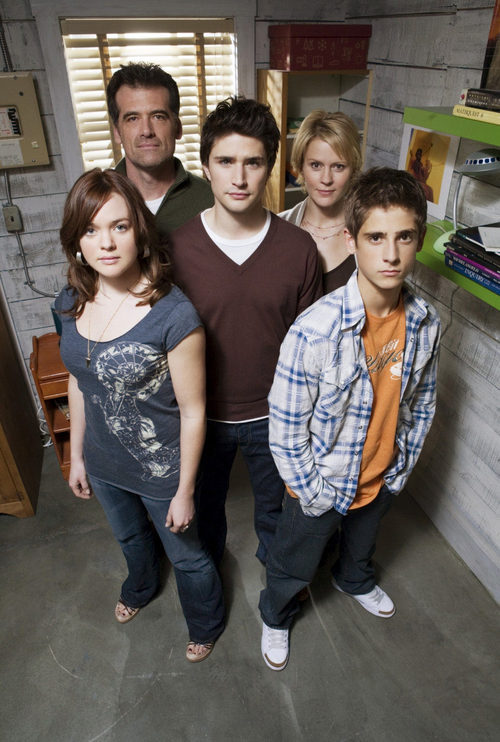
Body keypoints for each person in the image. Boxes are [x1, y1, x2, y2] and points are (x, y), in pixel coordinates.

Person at [259, 167, 441, 671]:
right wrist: (313, 492)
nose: (391, 254)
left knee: (361, 546)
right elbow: (285, 429)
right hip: (322, 484)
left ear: (419, 240)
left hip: (381, 474)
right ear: (351, 241)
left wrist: (400, 467)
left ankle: (353, 579)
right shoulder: (314, 330)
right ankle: (275, 613)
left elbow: (423, 401)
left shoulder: (425, 322)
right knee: (293, 563)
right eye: (376, 237)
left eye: (404, 237)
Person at [55, 168, 224, 663]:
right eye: (91, 229)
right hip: (104, 464)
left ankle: (206, 623)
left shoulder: (173, 315)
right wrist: (77, 457)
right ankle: (141, 586)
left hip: (160, 470)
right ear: (76, 240)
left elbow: (194, 411)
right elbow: (79, 381)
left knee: (188, 557)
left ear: (140, 231)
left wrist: (185, 490)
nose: (106, 243)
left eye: (119, 226)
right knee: (129, 537)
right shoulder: (69, 302)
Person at [168, 97, 322, 569]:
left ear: (269, 168)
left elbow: (312, 349)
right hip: (203, 416)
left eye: (252, 162)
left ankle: (279, 589)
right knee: (205, 512)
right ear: (205, 167)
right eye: (225, 161)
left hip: (277, 415)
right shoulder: (175, 251)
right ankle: (211, 580)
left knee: (277, 515)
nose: (239, 177)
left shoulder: (298, 249)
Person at [106, 62, 214, 236]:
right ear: (117, 132)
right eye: (132, 118)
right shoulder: (95, 201)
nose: (146, 131)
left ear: (177, 128)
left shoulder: (211, 200)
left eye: (158, 117)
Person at [280, 110, 362, 294]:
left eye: (338, 166)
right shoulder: (277, 229)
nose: (326, 179)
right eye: (316, 165)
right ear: (300, 166)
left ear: (353, 169)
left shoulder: (368, 232)